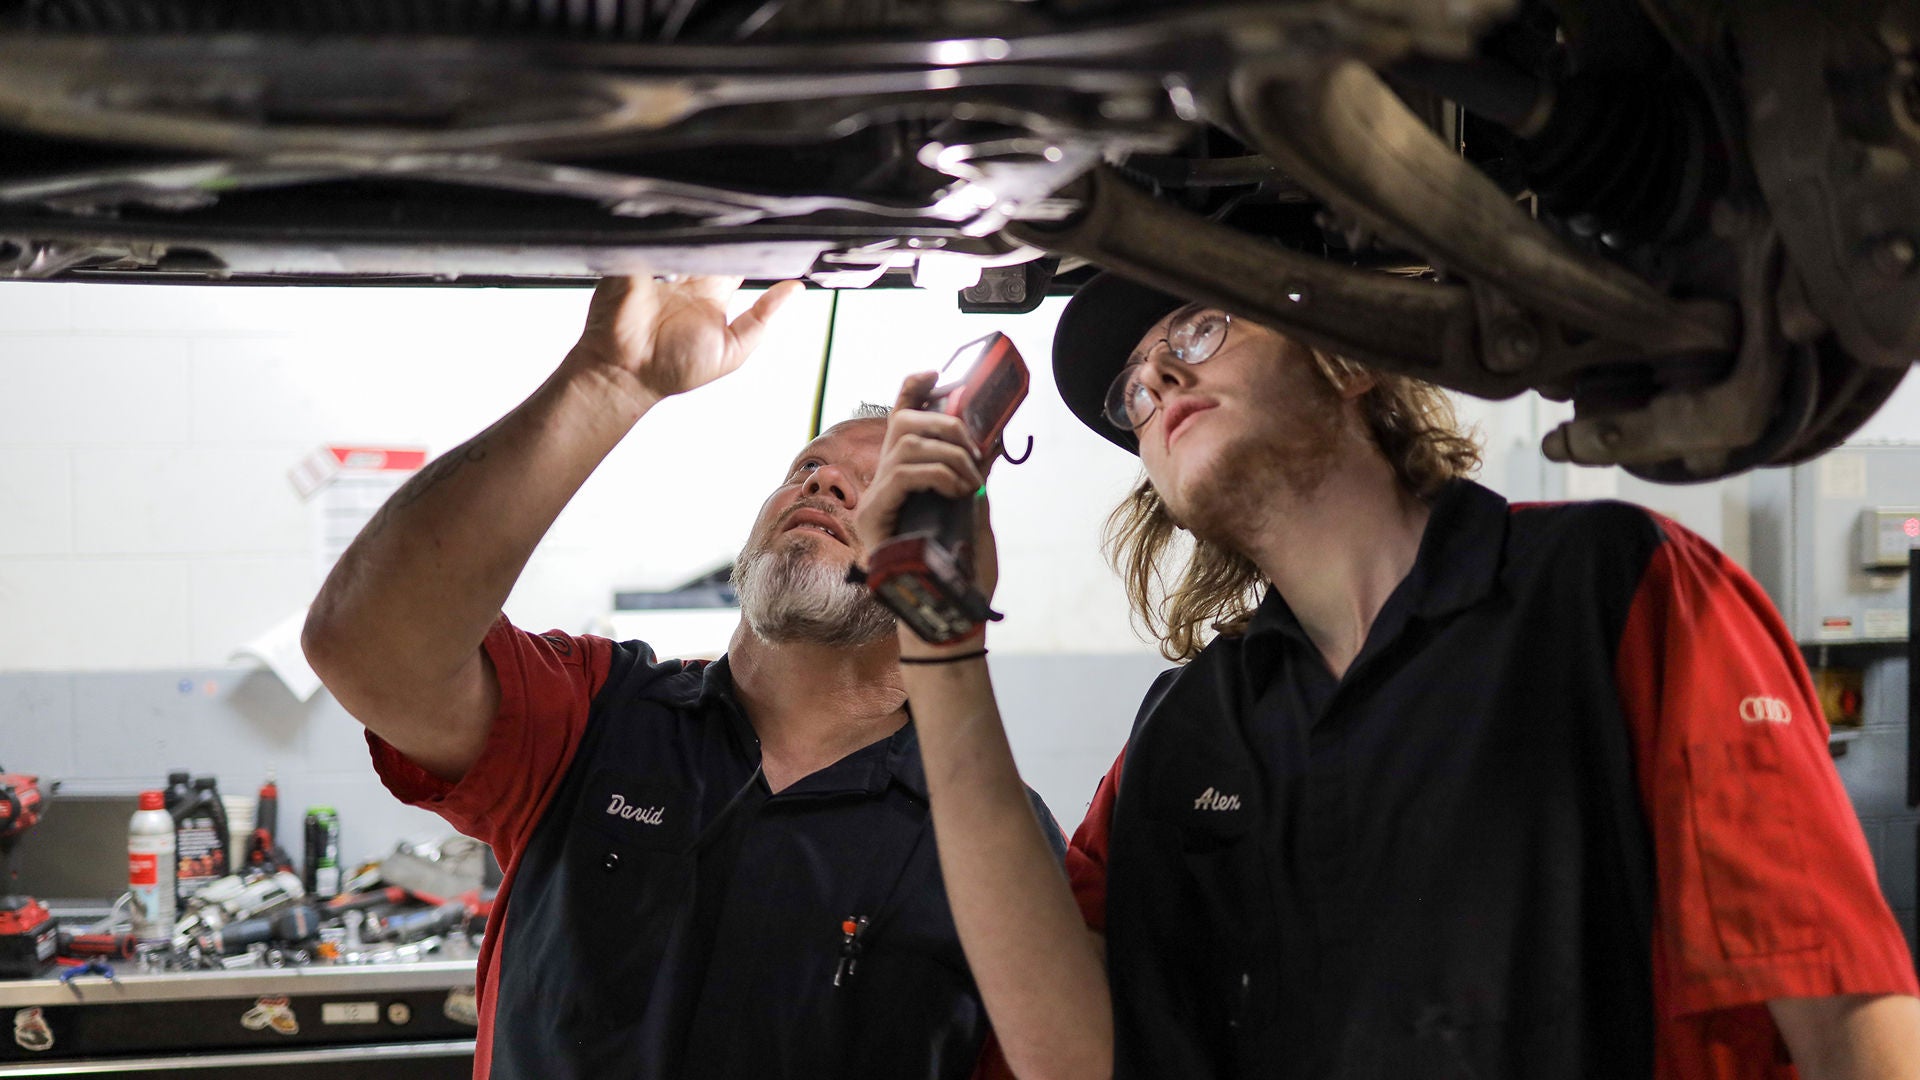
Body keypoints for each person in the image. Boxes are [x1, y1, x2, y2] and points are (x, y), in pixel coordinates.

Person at [865, 271, 1920, 1080]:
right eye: (1134, 391)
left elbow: (1840, 1007)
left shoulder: (1618, 592)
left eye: (1197, 329)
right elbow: (1073, 1054)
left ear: (1345, 355)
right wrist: (939, 633)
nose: (1162, 382)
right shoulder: (1185, 732)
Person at [301, 274, 1063, 1080]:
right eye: (809, 465)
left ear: (953, 551)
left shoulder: (993, 837)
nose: (823, 483)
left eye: (882, 490)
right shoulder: (596, 714)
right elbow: (364, 648)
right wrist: (607, 381)